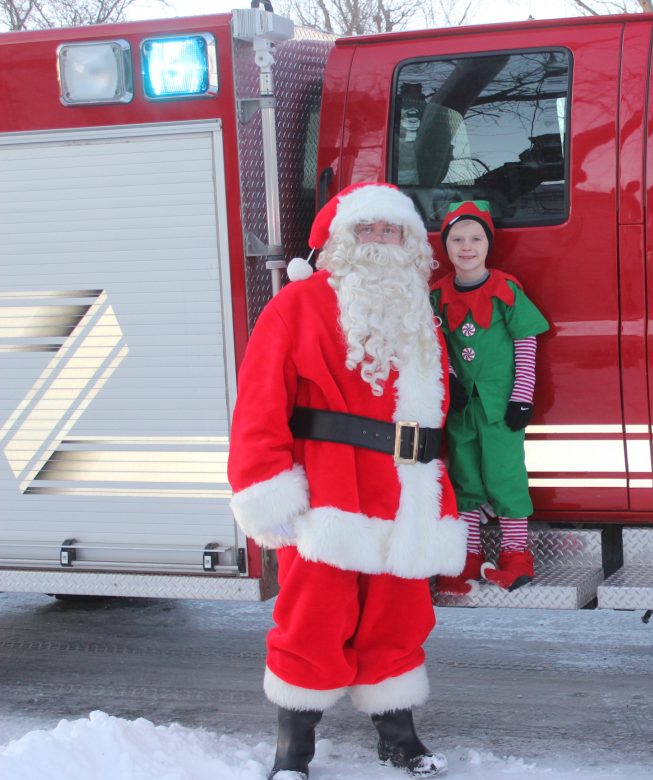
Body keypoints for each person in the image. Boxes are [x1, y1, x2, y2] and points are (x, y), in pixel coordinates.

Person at [227, 182, 466, 780]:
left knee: (399, 619)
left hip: (406, 491)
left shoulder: (418, 312)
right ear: (341, 241)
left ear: (410, 243)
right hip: (328, 493)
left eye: (393, 231)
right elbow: (259, 404)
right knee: (313, 619)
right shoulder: (296, 305)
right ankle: (293, 751)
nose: (381, 241)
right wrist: (266, 486)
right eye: (368, 230)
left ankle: (399, 737)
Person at [430, 201, 549, 595]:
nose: (467, 247)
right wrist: (450, 381)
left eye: (476, 238)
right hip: (462, 408)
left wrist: (522, 397)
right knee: (464, 477)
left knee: (505, 475)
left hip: (500, 407)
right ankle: (467, 557)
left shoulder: (505, 289)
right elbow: (435, 344)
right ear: (446, 247)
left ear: (488, 244)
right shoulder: (438, 295)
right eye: (458, 239)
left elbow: (526, 342)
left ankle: (517, 555)